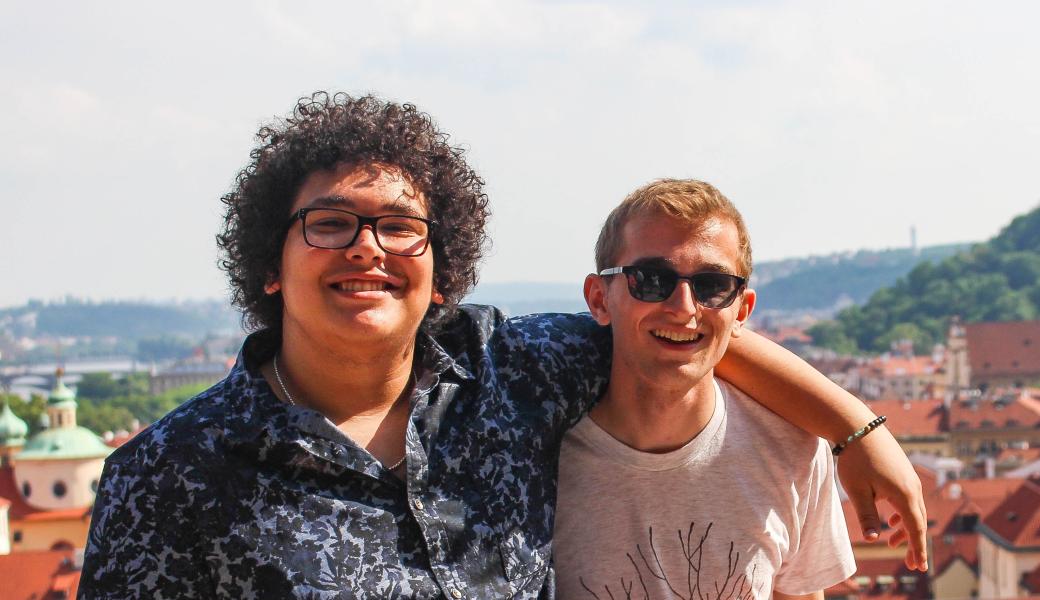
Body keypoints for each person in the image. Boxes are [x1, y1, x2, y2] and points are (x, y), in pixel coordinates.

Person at [79, 93, 925, 599]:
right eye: (331, 224)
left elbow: (681, 332)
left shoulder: (509, 371)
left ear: (442, 273)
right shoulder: (168, 476)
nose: (368, 250)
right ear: (271, 261)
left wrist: (857, 429)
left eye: (401, 229)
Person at [555, 180, 854, 599]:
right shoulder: (534, 459)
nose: (683, 308)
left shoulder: (794, 450)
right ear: (599, 299)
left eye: (712, 284)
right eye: (651, 279)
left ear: (741, 310)